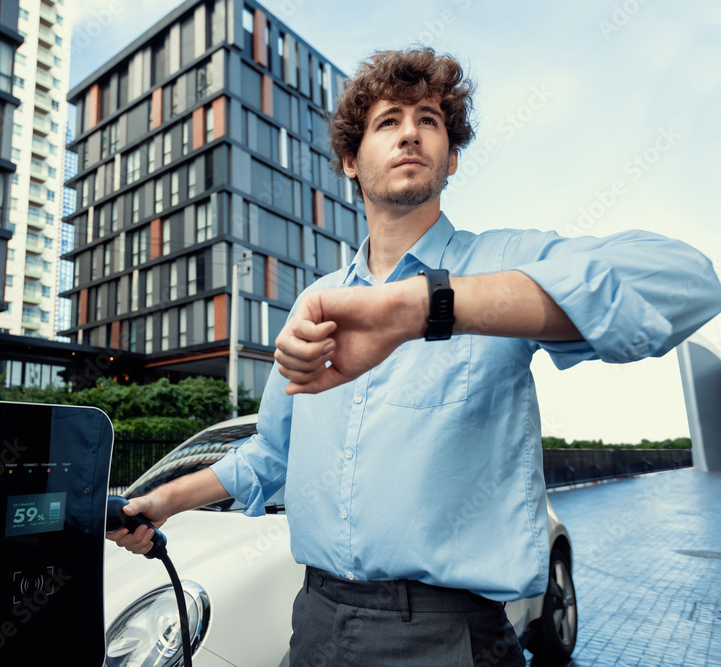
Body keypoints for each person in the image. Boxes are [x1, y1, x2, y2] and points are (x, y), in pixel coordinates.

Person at [108, 48, 721, 665]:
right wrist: (161, 501)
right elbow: (271, 453)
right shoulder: (317, 301)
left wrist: (424, 306)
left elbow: (689, 282)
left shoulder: (502, 260)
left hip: (448, 637)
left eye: (429, 120)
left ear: (451, 157)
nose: (409, 132)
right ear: (350, 160)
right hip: (315, 624)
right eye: (387, 121)